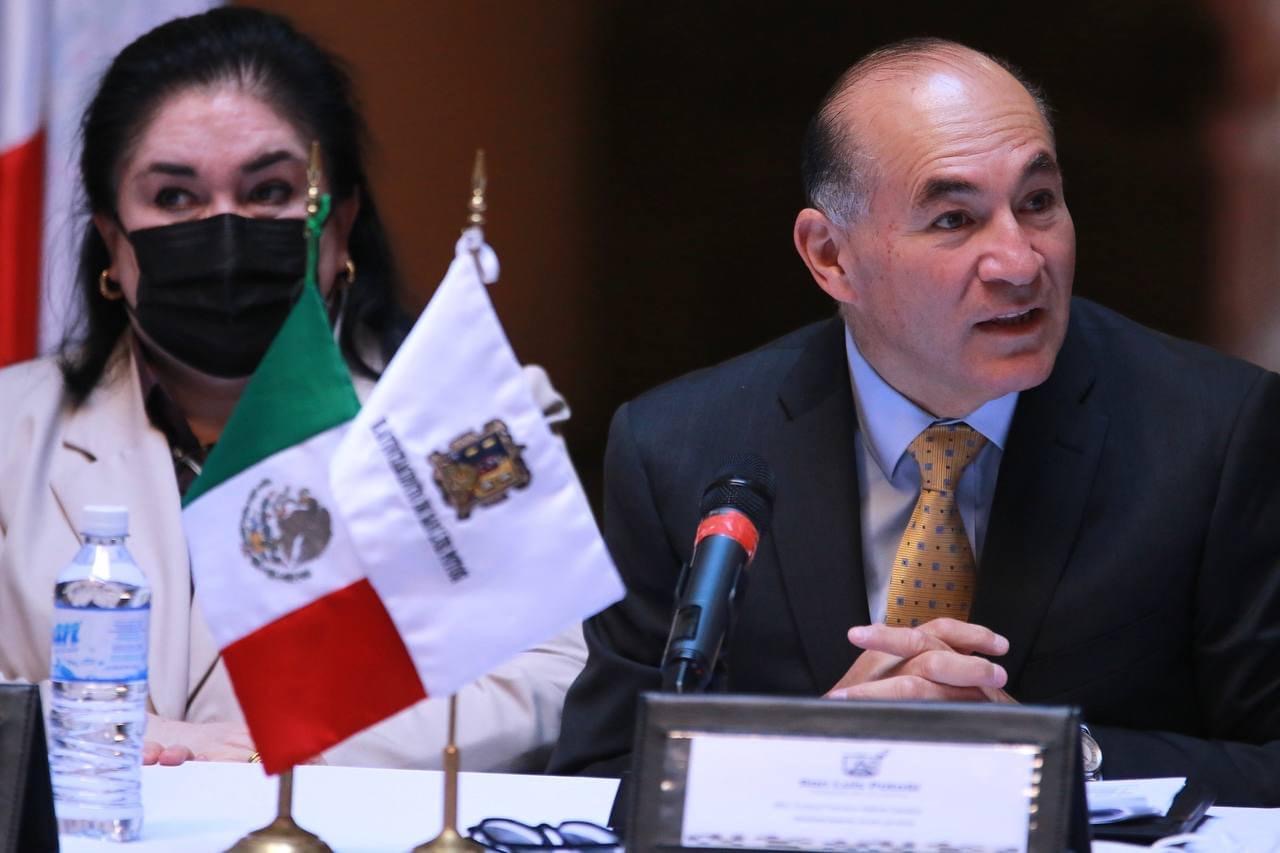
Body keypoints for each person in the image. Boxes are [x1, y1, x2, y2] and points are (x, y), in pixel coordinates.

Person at [548, 38, 1280, 806]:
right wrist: (814, 755)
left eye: (1037, 202)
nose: (1020, 262)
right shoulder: (677, 449)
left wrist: (1060, 753)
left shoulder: (1216, 434)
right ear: (830, 256)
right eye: (954, 219)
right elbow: (599, 774)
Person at [0, 7, 584, 772]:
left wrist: (272, 753)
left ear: (340, 225)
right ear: (112, 238)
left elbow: (550, 679)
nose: (225, 230)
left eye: (270, 190)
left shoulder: (462, 421)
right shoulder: (12, 428)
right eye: (173, 197)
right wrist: (98, 729)